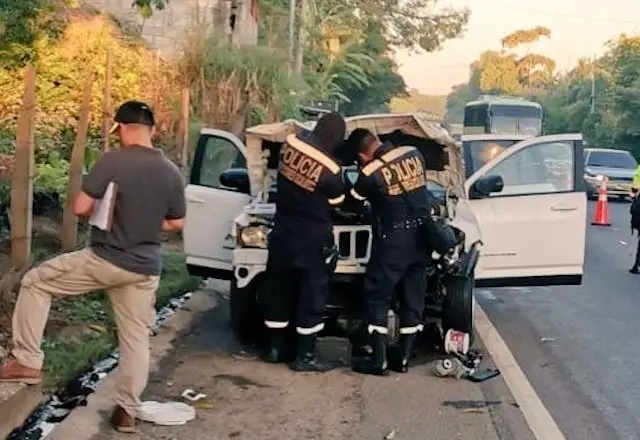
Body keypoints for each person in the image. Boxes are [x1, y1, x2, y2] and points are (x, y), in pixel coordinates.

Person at [0, 101, 186, 433]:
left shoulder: (113, 161)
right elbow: (176, 222)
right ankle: (127, 410)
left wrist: (107, 208)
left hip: (105, 259)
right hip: (144, 269)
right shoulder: (171, 171)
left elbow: (81, 207)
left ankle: (27, 360)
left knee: (35, 282)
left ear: (122, 129)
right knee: (135, 339)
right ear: (152, 130)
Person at [262, 112, 347, 372]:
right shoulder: (332, 170)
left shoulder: (291, 143)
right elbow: (337, 203)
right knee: (312, 294)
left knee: (278, 289)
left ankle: (276, 349)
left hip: (282, 231)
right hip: (311, 238)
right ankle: (305, 356)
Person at [346, 128, 432, 376]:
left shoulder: (370, 172)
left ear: (363, 156)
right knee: (413, 299)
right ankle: (403, 359)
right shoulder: (414, 153)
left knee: (378, 295)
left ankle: (379, 360)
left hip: (393, 242)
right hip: (421, 239)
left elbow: (353, 201)